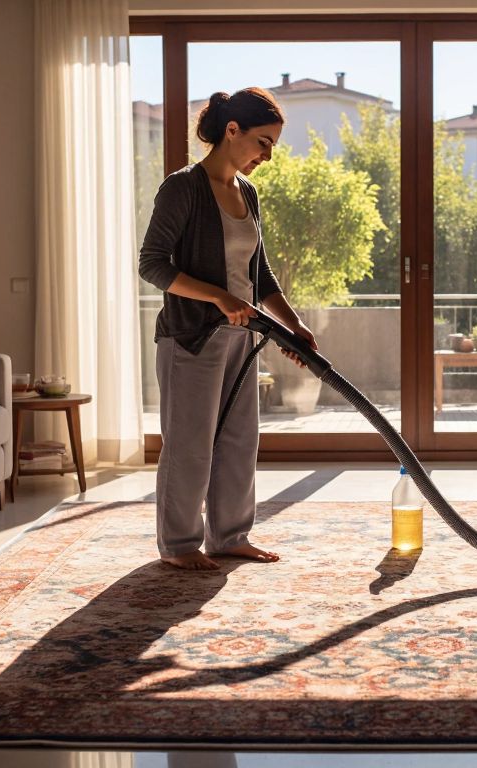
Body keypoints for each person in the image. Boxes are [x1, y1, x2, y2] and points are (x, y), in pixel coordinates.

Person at [138, 87, 316, 571]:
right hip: (190, 337)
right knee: (190, 445)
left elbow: (259, 272)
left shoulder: (248, 193)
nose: (268, 155)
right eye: (263, 142)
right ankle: (179, 545)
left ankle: (230, 535)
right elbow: (152, 265)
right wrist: (218, 296)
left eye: (273, 145)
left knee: (239, 441)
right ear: (231, 131)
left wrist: (294, 324)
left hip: (243, 336)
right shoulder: (182, 188)